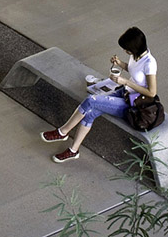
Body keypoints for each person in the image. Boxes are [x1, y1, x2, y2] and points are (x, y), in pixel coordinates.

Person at [40, 26, 157, 163]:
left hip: (133, 104)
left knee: (91, 100)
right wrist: (120, 63)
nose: (125, 51)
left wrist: (125, 81)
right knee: (90, 112)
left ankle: (63, 132)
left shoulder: (149, 63)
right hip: (125, 93)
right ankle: (73, 151)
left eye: (126, 49)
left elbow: (152, 92)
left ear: (134, 47)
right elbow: (134, 70)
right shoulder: (135, 56)